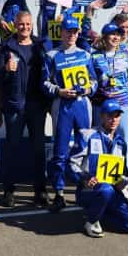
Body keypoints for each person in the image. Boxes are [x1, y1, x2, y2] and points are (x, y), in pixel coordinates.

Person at [0, 11, 50, 208]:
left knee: (39, 150)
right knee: (12, 150)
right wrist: (5, 69)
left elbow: (49, 72)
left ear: (32, 25)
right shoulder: (6, 46)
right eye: (21, 24)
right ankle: (9, 191)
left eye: (28, 24)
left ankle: (40, 191)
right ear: (15, 25)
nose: (24, 27)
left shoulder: (40, 46)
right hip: (15, 107)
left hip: (36, 106)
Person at [43, 17, 97, 212]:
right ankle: (59, 193)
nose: (72, 35)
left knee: (85, 148)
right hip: (62, 106)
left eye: (75, 32)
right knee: (60, 150)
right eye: (68, 31)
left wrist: (88, 89)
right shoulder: (52, 55)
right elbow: (44, 82)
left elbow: (94, 81)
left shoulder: (85, 54)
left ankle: (84, 190)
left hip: (82, 105)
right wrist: (59, 91)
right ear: (61, 32)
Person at [68, 100, 128, 237]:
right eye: (110, 116)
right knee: (105, 189)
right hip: (89, 191)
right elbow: (71, 163)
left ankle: (98, 215)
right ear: (101, 116)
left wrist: (123, 182)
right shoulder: (87, 135)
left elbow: (122, 172)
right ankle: (91, 222)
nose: (113, 120)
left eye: (117, 116)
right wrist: (85, 178)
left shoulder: (121, 142)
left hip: (112, 191)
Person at [91, 23, 128, 166]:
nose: (116, 37)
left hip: (124, 105)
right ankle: (101, 173)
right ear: (105, 36)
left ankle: (123, 171)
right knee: (101, 139)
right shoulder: (94, 56)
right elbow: (90, 81)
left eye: (118, 35)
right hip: (102, 105)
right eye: (112, 34)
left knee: (124, 139)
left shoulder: (127, 56)